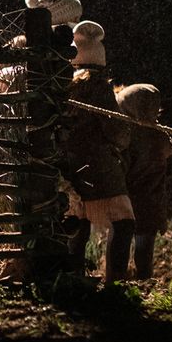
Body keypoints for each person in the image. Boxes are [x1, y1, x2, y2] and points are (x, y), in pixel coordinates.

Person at [60, 20, 135, 284]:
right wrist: (124, 139)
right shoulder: (97, 87)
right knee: (123, 220)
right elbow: (116, 130)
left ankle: (73, 277)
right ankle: (114, 281)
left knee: (78, 222)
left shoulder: (63, 85)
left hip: (68, 163)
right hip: (97, 165)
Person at [113, 83, 172, 280]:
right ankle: (145, 282)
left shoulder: (126, 138)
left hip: (128, 203)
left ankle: (116, 281)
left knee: (119, 243)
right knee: (144, 249)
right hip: (152, 204)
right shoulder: (160, 136)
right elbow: (169, 148)